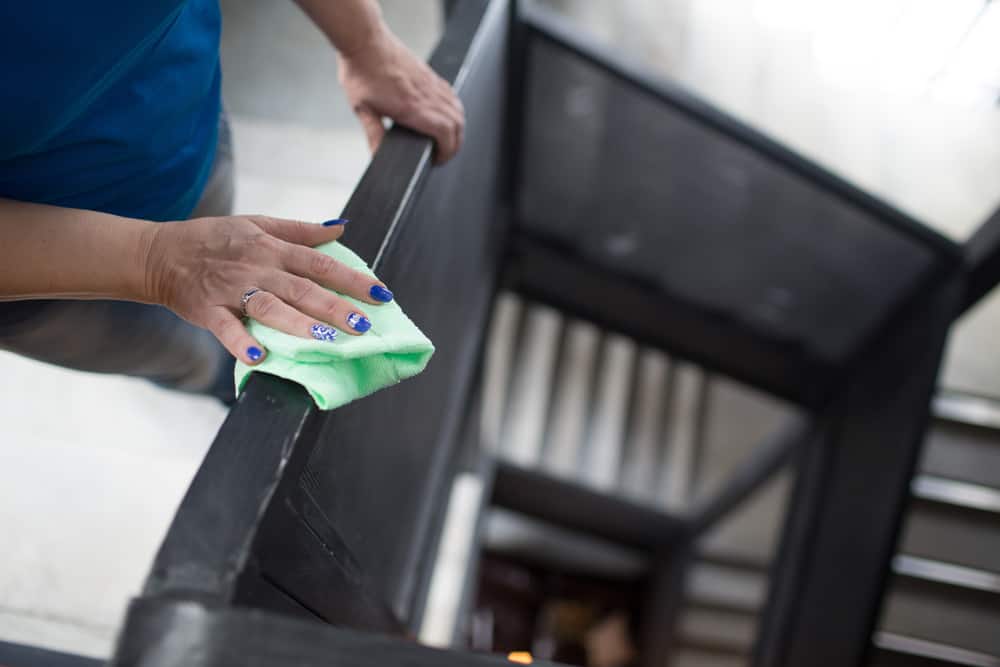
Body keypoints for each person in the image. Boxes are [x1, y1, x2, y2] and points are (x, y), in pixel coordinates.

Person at [0, 0, 464, 402]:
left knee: (229, 296)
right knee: (190, 355)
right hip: (50, 272)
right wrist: (154, 261)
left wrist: (365, 42)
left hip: (183, 114)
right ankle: (228, 383)